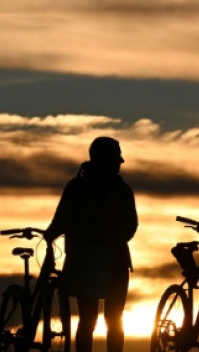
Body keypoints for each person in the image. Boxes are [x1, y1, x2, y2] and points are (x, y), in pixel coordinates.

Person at [45, 137, 137, 352]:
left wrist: (50, 235)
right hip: (110, 260)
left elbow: (61, 220)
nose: (120, 162)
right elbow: (130, 226)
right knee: (110, 320)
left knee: (90, 320)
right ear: (106, 159)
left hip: (87, 261)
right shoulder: (120, 189)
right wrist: (111, 239)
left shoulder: (77, 187)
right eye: (116, 157)